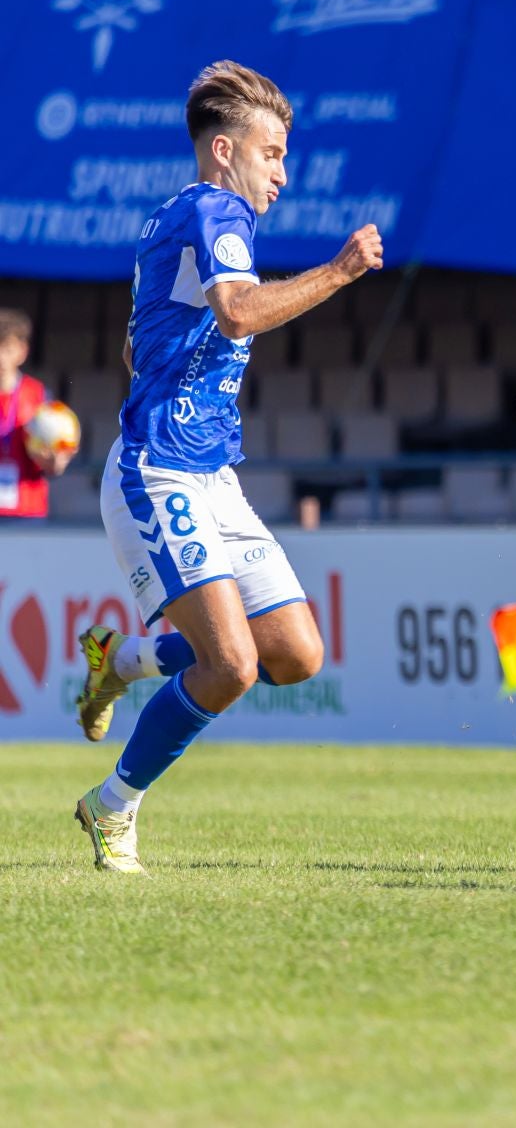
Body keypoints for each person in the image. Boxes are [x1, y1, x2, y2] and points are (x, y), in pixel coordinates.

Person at [70, 60, 384, 873]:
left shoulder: (182, 216)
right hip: (158, 473)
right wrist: (340, 272)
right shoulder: (216, 208)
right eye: (272, 152)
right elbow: (240, 312)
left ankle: (123, 662)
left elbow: (141, 342)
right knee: (232, 664)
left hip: (213, 478)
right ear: (222, 151)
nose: (283, 172)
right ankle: (113, 807)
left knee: (295, 656)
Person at [0, 308, 73, 519]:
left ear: (22, 351)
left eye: (7, 348)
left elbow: (54, 461)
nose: (1, 357)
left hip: (27, 512)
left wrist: (54, 462)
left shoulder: (38, 395)